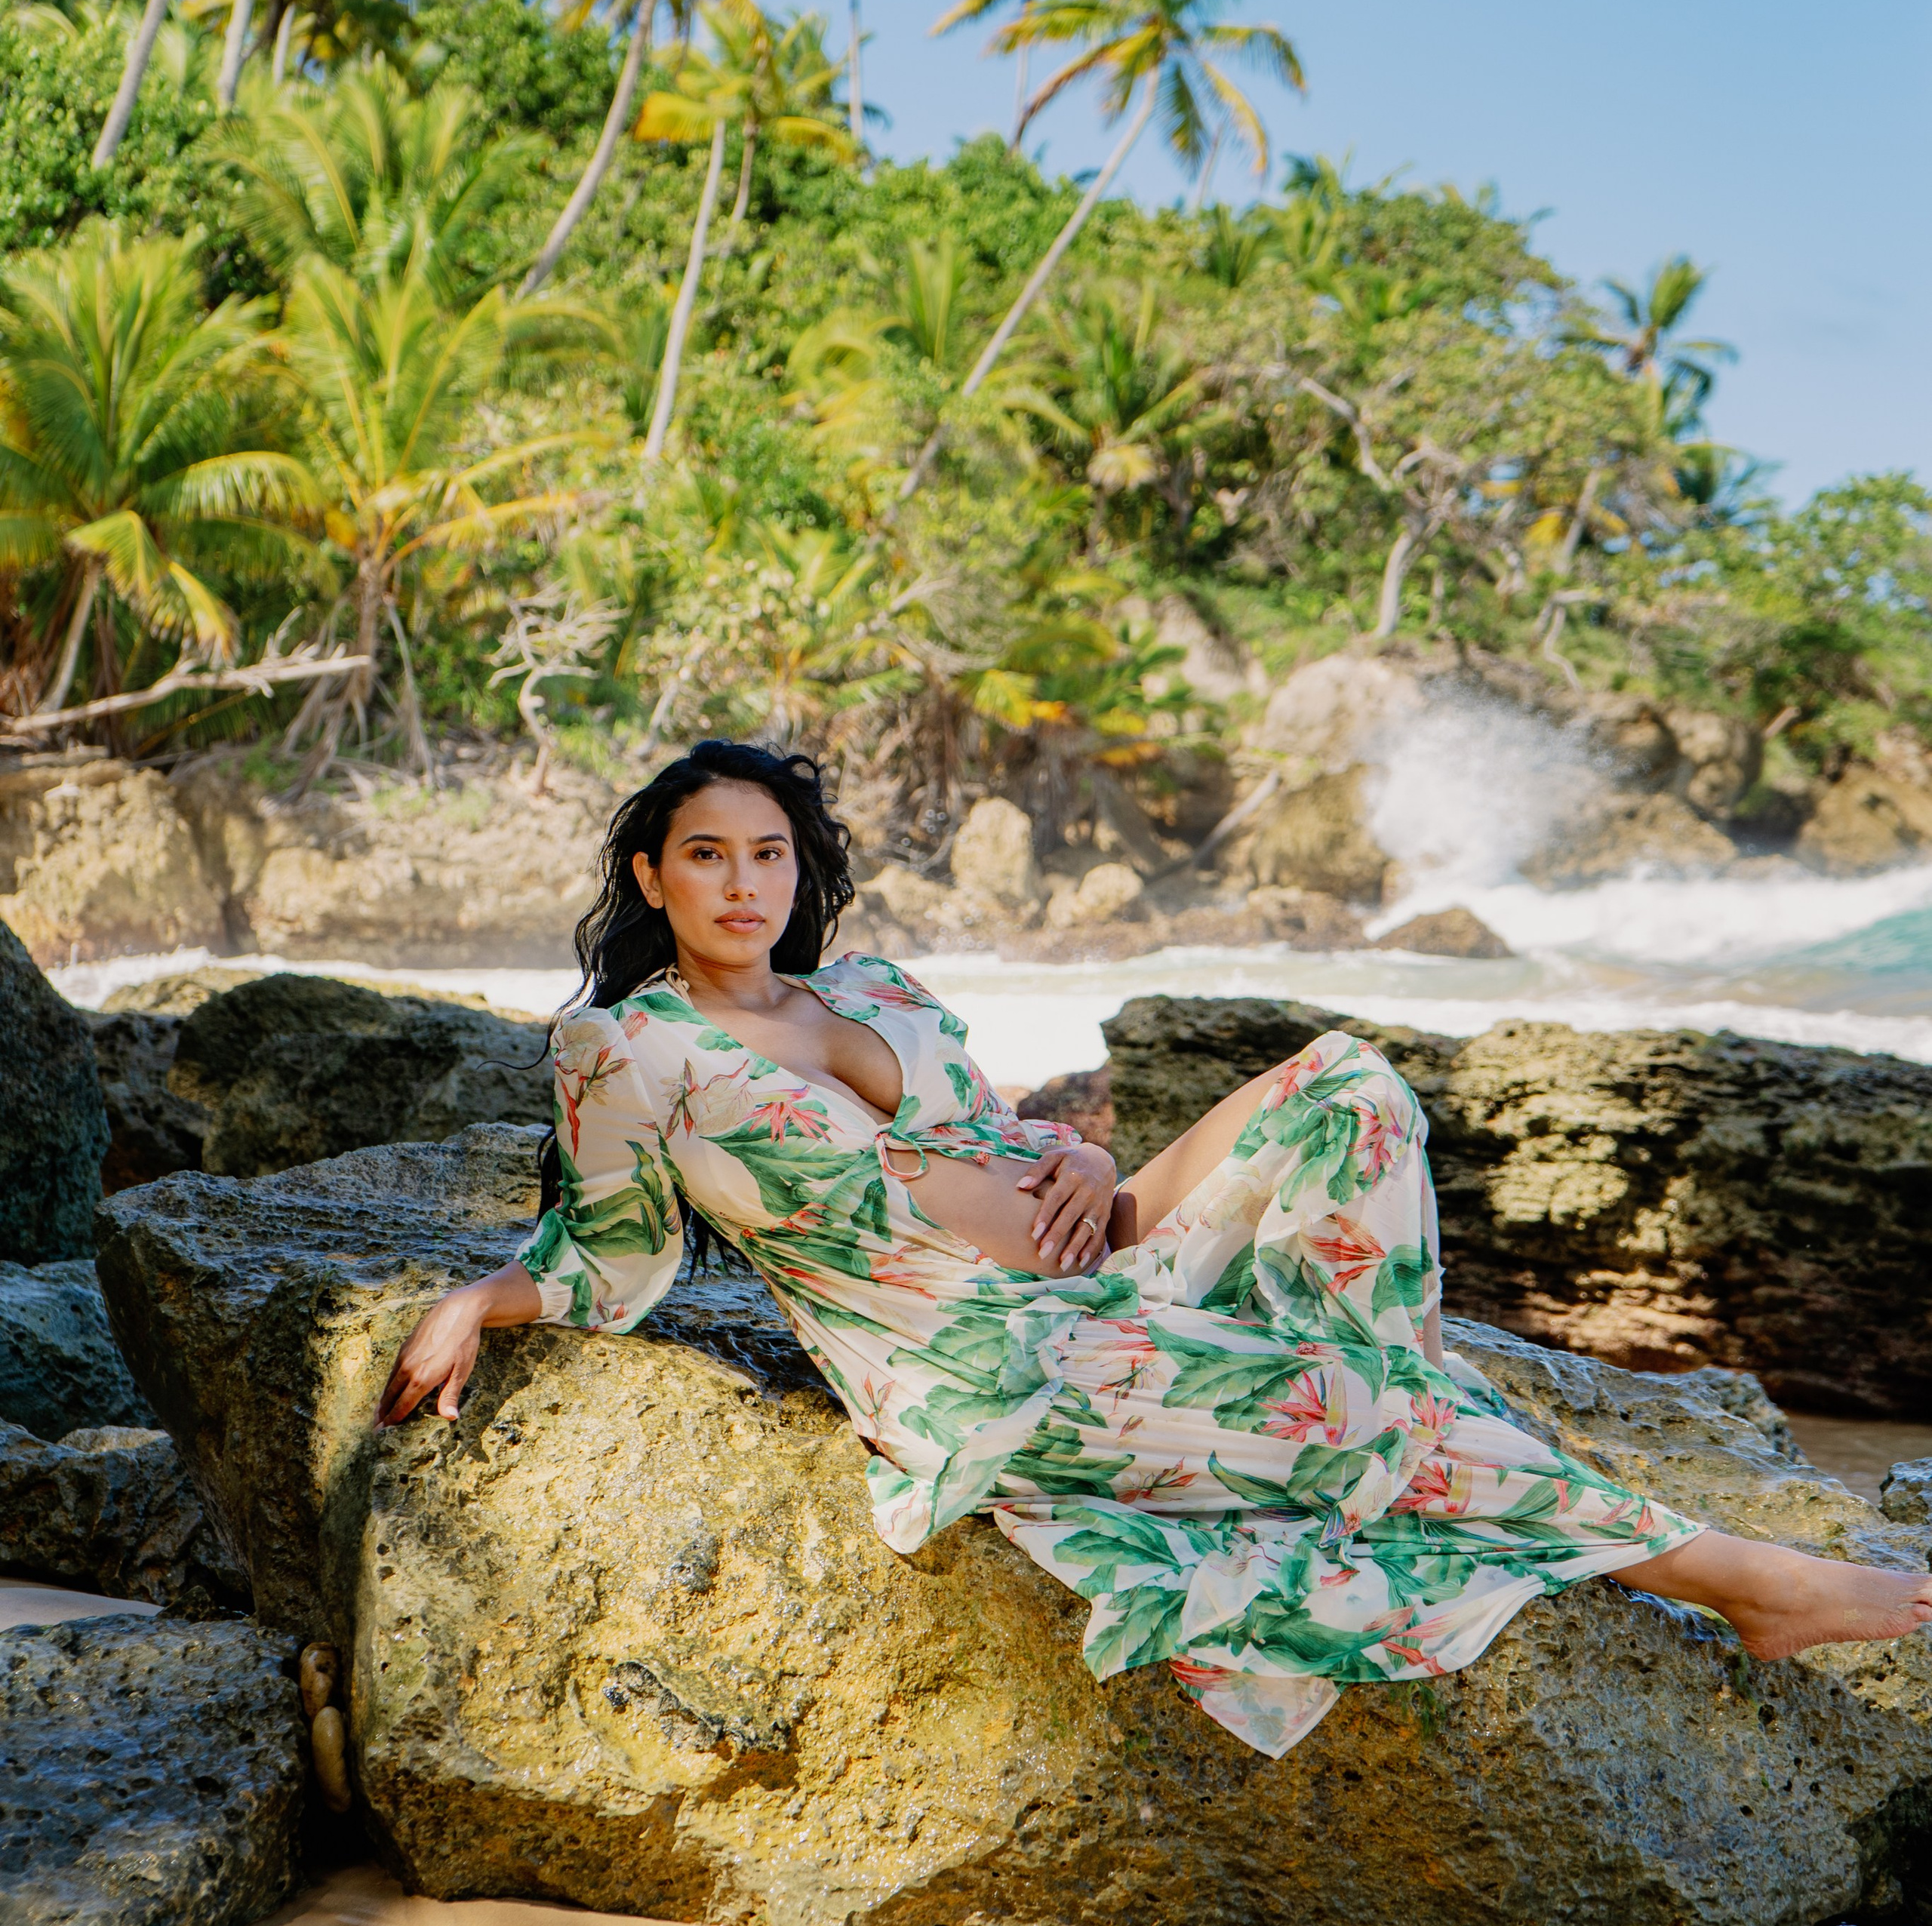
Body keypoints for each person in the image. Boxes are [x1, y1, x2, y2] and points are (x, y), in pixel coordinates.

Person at [378, 740, 1932, 1758]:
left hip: (1113, 1261)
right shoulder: (622, 1050)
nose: (741, 885)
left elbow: (1011, 1139)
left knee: (1347, 1085)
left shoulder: (891, 994)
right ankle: (1740, 1578)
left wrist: (1093, 1151)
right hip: (976, 1356)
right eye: (705, 856)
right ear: (650, 877)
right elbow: (610, 1252)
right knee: (1348, 1405)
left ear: (803, 871)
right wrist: (479, 1297)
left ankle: (1371, 1400)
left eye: (768, 854)